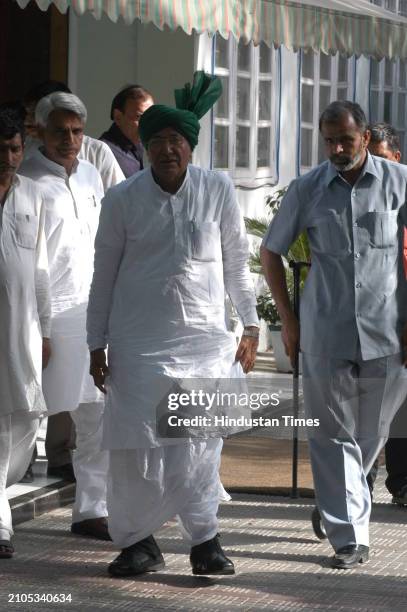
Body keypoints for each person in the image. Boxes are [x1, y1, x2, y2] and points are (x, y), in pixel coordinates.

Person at [87, 71, 259, 576]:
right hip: (138, 345)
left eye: (177, 141)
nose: (168, 149)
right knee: (135, 445)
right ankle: (138, 542)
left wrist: (250, 325)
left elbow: (236, 263)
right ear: (143, 146)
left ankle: (205, 541)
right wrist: (97, 344)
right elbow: (103, 277)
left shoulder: (217, 189)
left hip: (206, 343)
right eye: (157, 139)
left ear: (191, 146)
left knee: (199, 446)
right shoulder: (122, 200)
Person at [260, 101, 407, 569]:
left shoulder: (399, 182)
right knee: (332, 434)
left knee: (373, 431)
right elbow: (271, 253)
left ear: (365, 136)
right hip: (325, 330)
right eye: (328, 141)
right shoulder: (307, 189)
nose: (337, 149)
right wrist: (289, 319)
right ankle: (349, 536)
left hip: (390, 331)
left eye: (345, 139)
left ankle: (340, 495)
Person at [22, 81, 125, 484]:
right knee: (31, 409)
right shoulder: (26, 179)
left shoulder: (89, 175)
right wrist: (40, 327)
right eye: (60, 131)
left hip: (91, 311)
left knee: (95, 409)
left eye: (77, 131)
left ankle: (92, 508)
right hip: (46, 318)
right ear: (40, 132)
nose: (70, 140)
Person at [0, 106, 51, 558]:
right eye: (1, 150)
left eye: (15, 149)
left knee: (23, 419)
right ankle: (0, 524)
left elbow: (41, 270)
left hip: (22, 330)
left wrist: (48, 329)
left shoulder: (33, 195)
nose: (9, 158)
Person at [367, 123, 407, 506]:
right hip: (369, 324)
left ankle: (402, 482)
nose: (373, 168)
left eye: (380, 159)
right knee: (367, 409)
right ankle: (359, 484)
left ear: (397, 158)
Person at [99, 84, 154, 178]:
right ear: (118, 117)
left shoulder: (140, 145)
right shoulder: (104, 152)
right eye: (139, 117)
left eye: (151, 117)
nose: (148, 124)